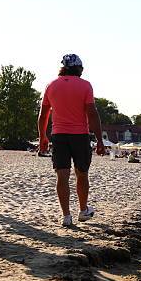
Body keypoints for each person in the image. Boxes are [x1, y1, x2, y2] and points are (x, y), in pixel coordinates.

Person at [37, 54, 105, 226]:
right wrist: (100, 139)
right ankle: (83, 210)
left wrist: (42, 136)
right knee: (81, 174)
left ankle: (66, 216)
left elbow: (44, 114)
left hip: (59, 136)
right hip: (80, 136)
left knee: (62, 176)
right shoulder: (85, 86)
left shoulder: (51, 85)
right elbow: (92, 113)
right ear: (79, 68)